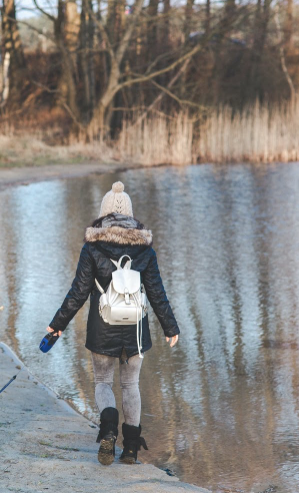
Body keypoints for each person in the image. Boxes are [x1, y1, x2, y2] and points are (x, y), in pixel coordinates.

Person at [47, 181, 180, 465]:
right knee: (131, 385)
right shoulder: (145, 250)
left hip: (102, 328)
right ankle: (130, 449)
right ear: (130, 216)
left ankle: (108, 429)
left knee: (103, 382)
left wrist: (58, 324)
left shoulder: (92, 248)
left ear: (104, 213)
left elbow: (78, 292)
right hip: (136, 330)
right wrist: (170, 327)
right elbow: (157, 293)